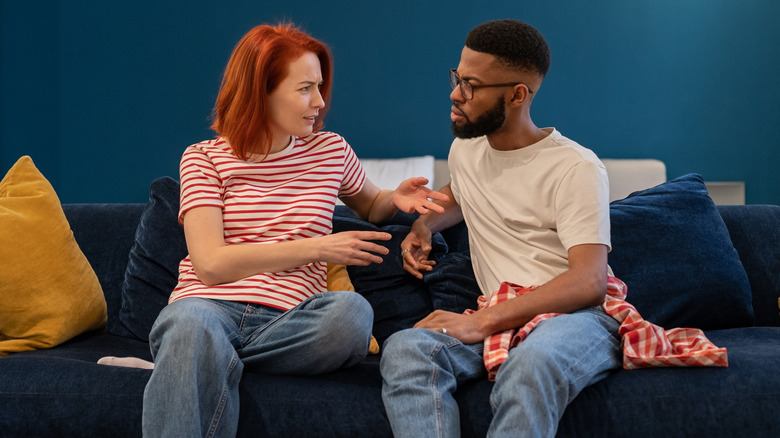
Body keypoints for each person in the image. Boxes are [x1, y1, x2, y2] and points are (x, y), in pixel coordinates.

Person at [141, 23, 448, 437]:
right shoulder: (203, 158)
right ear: (260, 91)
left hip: (292, 323)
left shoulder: (330, 151)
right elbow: (210, 264)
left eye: (319, 87)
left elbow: (369, 203)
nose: (319, 102)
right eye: (305, 88)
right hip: (207, 310)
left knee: (352, 314)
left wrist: (396, 199)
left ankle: (204, 361)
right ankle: (199, 352)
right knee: (190, 322)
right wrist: (317, 247)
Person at [380, 19, 621, 437]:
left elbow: (589, 281)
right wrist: (423, 226)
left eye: (471, 85)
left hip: (575, 317)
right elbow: (462, 193)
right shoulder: (466, 149)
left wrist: (480, 323)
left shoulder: (575, 167)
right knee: (406, 349)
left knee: (532, 362)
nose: (455, 94)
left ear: (517, 94)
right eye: (457, 76)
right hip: (501, 315)